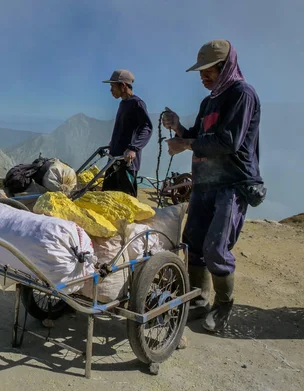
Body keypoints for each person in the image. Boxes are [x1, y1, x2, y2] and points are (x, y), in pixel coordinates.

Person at [162, 39, 264, 333]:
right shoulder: (209, 102)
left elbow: (228, 142)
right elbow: (198, 135)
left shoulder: (242, 95)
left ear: (226, 67)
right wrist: (179, 127)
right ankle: (199, 299)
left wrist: (185, 144)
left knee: (216, 247)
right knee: (193, 239)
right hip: (205, 181)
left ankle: (222, 306)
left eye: (209, 70)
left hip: (232, 183)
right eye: (201, 71)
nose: (203, 76)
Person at [101, 69, 153, 197]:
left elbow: (146, 127)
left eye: (113, 86)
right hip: (115, 158)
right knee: (108, 196)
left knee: (127, 199)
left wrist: (133, 148)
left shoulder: (137, 103)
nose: (111, 90)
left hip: (127, 162)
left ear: (123, 85)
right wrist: (113, 143)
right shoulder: (123, 104)